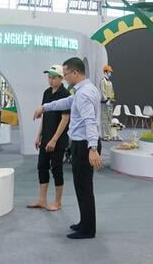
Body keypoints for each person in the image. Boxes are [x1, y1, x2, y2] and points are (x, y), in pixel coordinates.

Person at [34, 57, 102, 239]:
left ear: (75, 73)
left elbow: (90, 122)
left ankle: (88, 230)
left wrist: (93, 148)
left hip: (85, 145)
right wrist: (45, 107)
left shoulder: (84, 93)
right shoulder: (84, 90)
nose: (64, 78)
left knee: (84, 188)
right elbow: (66, 102)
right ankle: (84, 223)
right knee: (81, 187)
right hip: (83, 144)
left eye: (65, 74)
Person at [28, 65, 70, 211]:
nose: (50, 80)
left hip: (58, 139)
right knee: (42, 167)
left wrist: (54, 139)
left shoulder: (65, 94)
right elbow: (44, 116)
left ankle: (57, 202)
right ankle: (42, 200)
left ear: (61, 78)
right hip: (46, 137)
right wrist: (38, 136)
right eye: (49, 77)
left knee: (56, 168)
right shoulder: (46, 92)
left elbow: (65, 119)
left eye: (53, 77)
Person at [100, 65, 115, 141]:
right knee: (105, 119)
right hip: (105, 103)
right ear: (105, 72)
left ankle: (109, 135)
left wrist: (112, 100)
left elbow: (112, 92)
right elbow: (102, 91)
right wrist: (106, 100)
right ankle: (105, 136)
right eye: (109, 72)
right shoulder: (103, 81)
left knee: (109, 119)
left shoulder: (110, 82)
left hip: (110, 103)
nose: (110, 73)